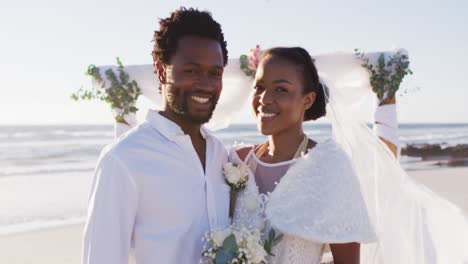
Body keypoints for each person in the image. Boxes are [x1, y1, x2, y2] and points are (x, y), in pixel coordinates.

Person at [230, 47, 468, 264]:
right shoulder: (238, 162)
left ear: (308, 100)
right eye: (259, 87)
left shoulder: (328, 166)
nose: (264, 99)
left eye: (281, 89)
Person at [82, 7, 231, 264]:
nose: (205, 84)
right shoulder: (123, 160)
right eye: (192, 71)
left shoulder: (222, 155)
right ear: (162, 71)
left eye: (214, 73)